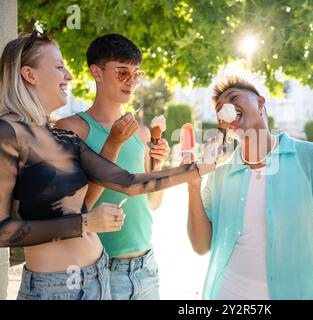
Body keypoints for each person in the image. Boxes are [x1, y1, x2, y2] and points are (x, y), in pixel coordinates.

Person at [0, 31, 219, 300]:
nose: (68, 75)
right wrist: (85, 222)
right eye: (59, 67)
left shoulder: (58, 135)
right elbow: (3, 230)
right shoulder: (7, 133)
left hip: (98, 278)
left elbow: (128, 182)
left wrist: (199, 168)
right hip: (56, 288)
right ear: (29, 74)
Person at [186, 76, 313, 300]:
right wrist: (194, 185)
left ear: (261, 103)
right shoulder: (219, 175)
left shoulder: (310, 157)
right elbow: (201, 246)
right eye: (219, 109)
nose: (225, 108)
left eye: (234, 98)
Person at [56, 34, 169, 300]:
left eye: (136, 74)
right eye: (122, 73)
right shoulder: (71, 129)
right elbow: (71, 210)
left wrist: (158, 166)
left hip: (146, 268)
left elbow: (152, 203)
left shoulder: (141, 133)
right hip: (98, 269)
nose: (131, 81)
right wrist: (113, 143)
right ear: (96, 72)